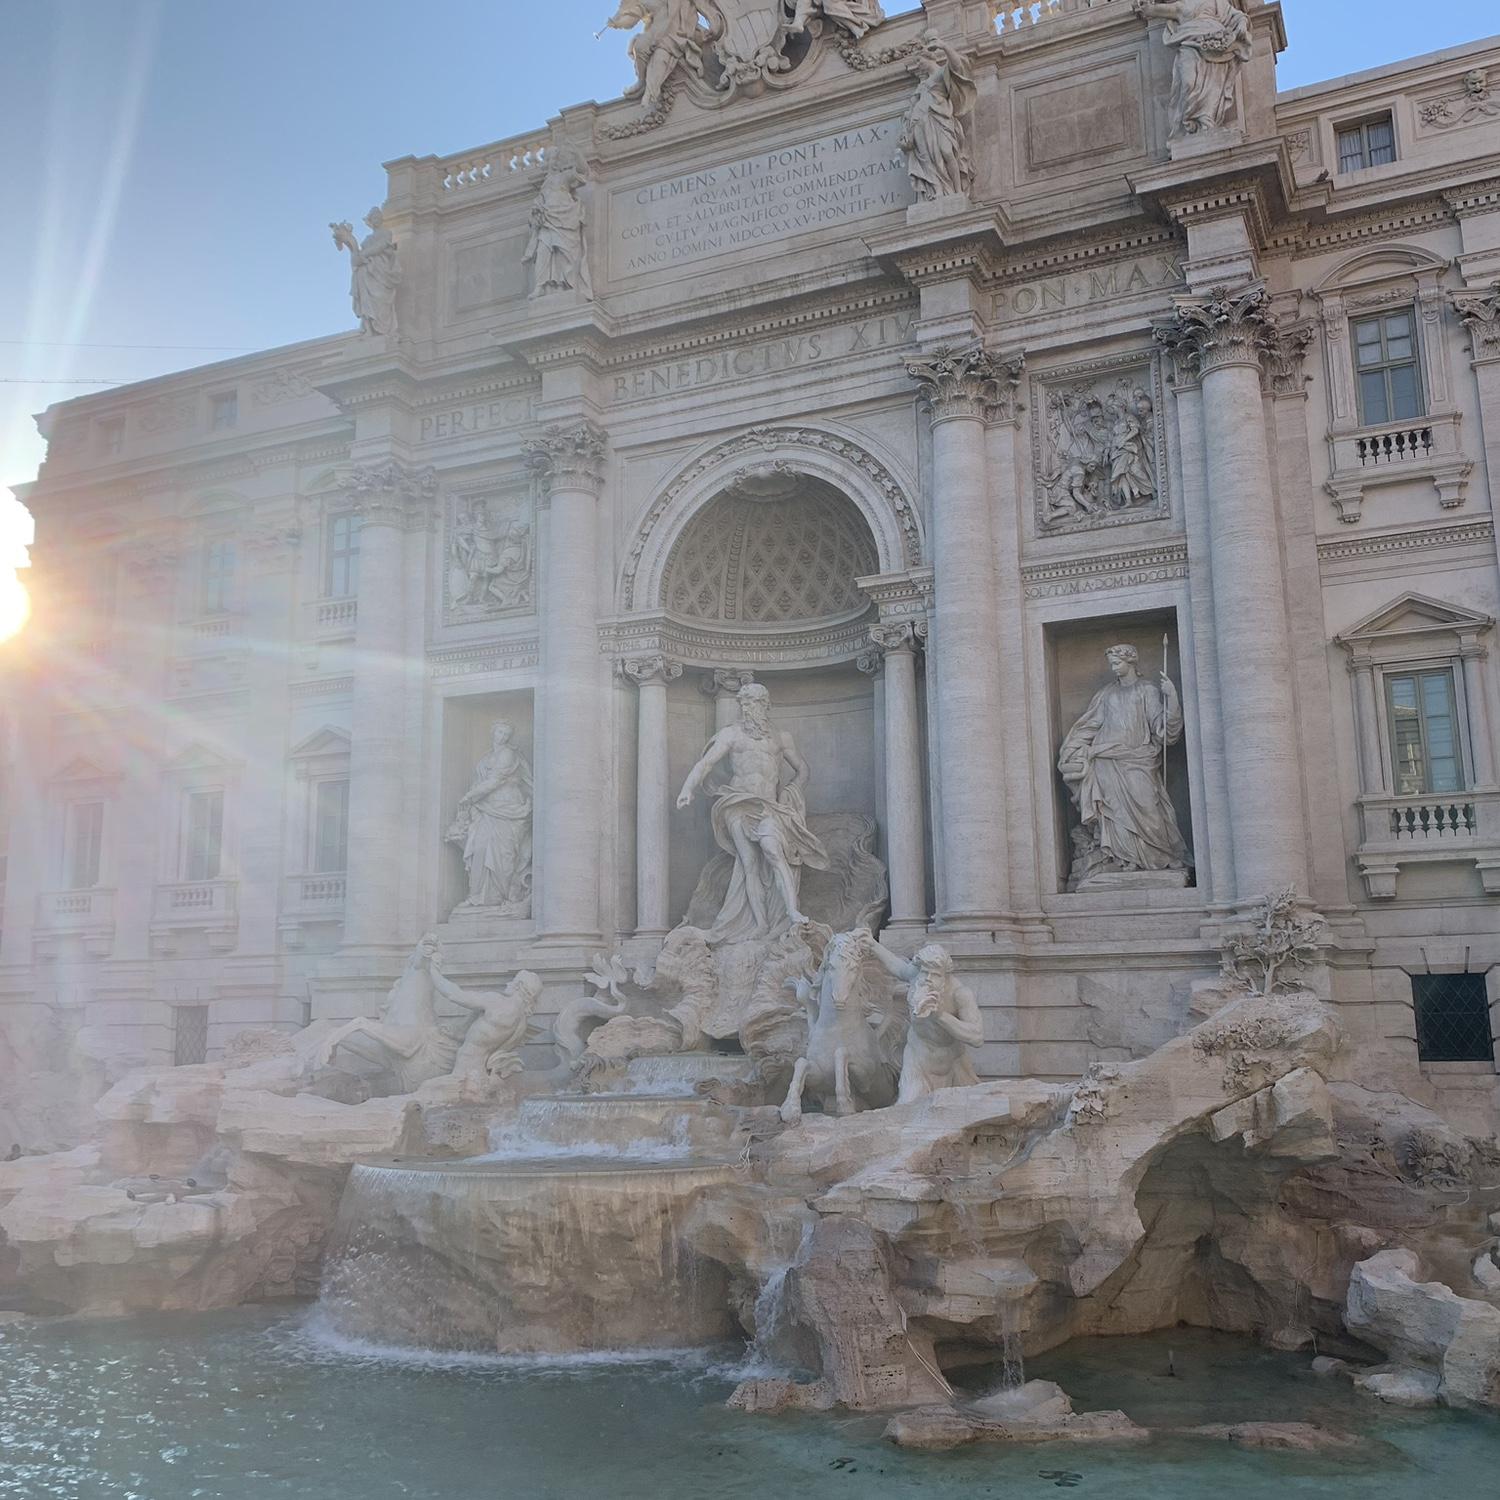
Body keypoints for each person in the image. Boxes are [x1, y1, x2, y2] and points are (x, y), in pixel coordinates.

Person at [677, 683, 829, 941]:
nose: (748, 708)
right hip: (738, 803)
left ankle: (792, 911)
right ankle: (760, 923)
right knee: (748, 863)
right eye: (744, 703)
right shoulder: (731, 734)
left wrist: (791, 790)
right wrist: (687, 788)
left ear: (765, 705)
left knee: (773, 851)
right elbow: (706, 763)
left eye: (753, 702)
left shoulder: (781, 737)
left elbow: (803, 769)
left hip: (768, 806)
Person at [1058, 644, 1190, 879]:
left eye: (1117, 663)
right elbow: (1090, 725)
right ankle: (1122, 859)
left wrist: (1171, 697)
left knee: (1149, 808)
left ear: (1131, 662)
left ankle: (1156, 857)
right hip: (1106, 761)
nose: (1114, 668)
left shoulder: (1147, 690)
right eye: (1111, 664)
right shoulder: (1106, 694)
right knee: (1113, 812)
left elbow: (1163, 730)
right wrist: (1072, 748)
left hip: (1139, 759)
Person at [862, 935, 984, 1103]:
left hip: (953, 1063)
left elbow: (977, 1037)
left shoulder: (960, 994)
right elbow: (898, 968)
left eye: (935, 975)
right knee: (907, 1105)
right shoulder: (916, 976)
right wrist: (873, 945)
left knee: (962, 1110)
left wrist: (940, 1015)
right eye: (925, 972)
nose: (928, 979)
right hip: (918, 1058)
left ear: (945, 975)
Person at [449, 722, 534, 913]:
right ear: (493, 732)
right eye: (500, 732)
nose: (502, 736)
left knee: (504, 854)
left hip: (508, 806)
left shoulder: (508, 754)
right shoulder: (486, 757)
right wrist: (472, 803)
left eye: (506, 734)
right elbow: (479, 782)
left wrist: (470, 796)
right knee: (479, 848)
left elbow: (495, 780)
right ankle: (476, 896)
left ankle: (502, 896)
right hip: (486, 808)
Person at [899, 35, 977, 201]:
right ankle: (937, 189)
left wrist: (944, 46)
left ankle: (957, 191)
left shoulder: (942, 73)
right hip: (920, 122)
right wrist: (907, 130)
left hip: (939, 119)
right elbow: (911, 109)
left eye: (919, 60)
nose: (918, 64)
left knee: (947, 152)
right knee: (926, 159)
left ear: (928, 58)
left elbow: (957, 65)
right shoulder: (922, 85)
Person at [331, 208, 401, 337]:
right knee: (366, 300)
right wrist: (347, 240)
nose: (376, 220)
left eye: (378, 217)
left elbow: (380, 246)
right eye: (373, 218)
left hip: (380, 271)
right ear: (370, 221)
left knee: (380, 298)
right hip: (365, 272)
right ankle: (369, 329)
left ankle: (383, 330)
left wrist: (363, 255)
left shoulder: (386, 233)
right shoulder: (368, 238)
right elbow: (356, 256)